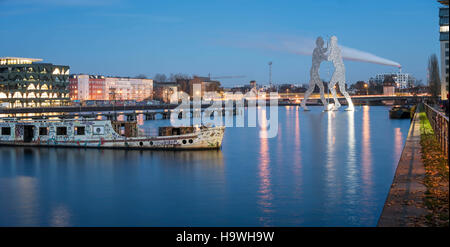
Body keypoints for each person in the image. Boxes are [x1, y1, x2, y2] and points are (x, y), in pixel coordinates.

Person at [301, 37, 328, 111]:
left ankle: (303, 103)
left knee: (311, 89)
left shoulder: (318, 50)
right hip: (314, 72)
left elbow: (323, 52)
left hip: (313, 71)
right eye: (322, 42)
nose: (323, 44)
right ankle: (326, 105)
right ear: (319, 43)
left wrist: (328, 48)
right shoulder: (317, 50)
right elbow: (325, 56)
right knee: (321, 87)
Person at [328, 36, 354, 111]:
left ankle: (337, 103)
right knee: (342, 89)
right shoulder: (336, 48)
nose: (331, 42)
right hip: (342, 69)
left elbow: (329, 58)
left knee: (330, 86)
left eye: (331, 41)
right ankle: (350, 105)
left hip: (339, 69)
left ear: (334, 41)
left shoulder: (334, 49)